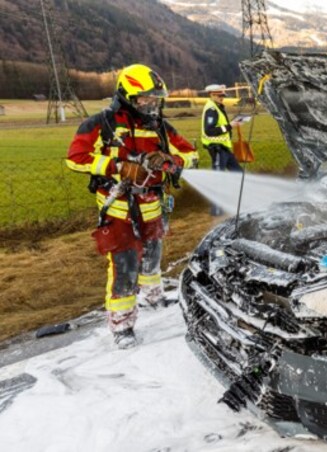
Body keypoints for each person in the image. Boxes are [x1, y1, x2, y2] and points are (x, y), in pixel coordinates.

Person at [66, 64, 198, 349]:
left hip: (153, 204)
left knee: (153, 254)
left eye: (154, 98)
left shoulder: (159, 126)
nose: (151, 104)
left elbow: (190, 153)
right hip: (119, 210)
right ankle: (122, 324)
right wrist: (117, 166)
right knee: (124, 265)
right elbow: (75, 158)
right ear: (127, 96)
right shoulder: (102, 123)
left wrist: (170, 161)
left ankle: (153, 296)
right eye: (145, 99)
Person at [202, 84, 243, 216]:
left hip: (225, 148)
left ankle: (240, 202)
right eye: (220, 96)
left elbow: (220, 126)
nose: (222, 98)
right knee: (218, 180)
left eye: (223, 95)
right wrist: (229, 126)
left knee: (239, 174)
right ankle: (216, 210)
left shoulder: (217, 108)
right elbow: (209, 131)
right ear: (212, 95)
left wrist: (231, 125)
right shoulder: (211, 110)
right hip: (217, 148)